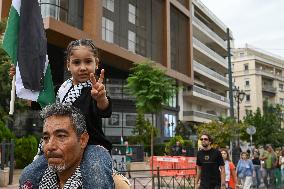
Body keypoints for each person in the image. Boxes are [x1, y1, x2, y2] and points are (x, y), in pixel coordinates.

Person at [10, 38, 112, 152]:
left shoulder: (95, 90)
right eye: (76, 62)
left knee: (96, 167)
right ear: (68, 65)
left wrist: (101, 98)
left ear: (96, 63)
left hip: (91, 148)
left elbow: (104, 109)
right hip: (58, 147)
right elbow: (31, 101)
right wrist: (21, 78)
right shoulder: (59, 90)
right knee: (32, 170)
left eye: (88, 61)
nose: (83, 68)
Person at [19, 103, 114, 188]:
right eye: (46, 137)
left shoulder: (107, 181)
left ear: (82, 140)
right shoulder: (33, 180)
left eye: (61, 136)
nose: (50, 146)